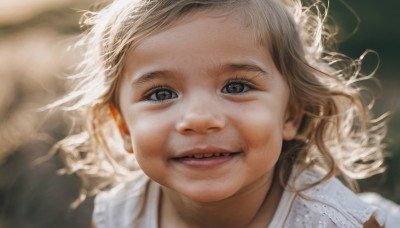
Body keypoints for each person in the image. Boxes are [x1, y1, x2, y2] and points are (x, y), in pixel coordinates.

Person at [52, 0, 400, 227]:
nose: (200, 119)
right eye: (161, 93)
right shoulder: (124, 214)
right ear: (124, 126)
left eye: (236, 87)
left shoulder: (333, 222)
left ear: (291, 114)